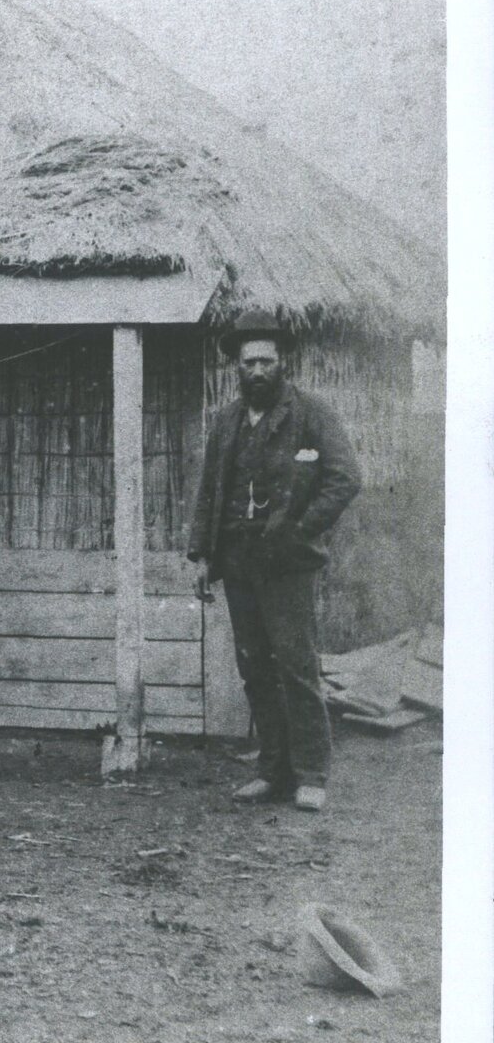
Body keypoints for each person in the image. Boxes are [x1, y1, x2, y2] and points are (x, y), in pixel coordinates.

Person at [188, 310, 362, 812]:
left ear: (281, 363)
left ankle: (311, 774)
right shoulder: (226, 421)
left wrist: (301, 528)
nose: (257, 371)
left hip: (287, 565)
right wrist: (201, 554)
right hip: (238, 563)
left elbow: (345, 479)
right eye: (249, 363)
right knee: (254, 668)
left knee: (296, 666)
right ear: (236, 368)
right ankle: (271, 770)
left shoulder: (312, 414)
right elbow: (209, 493)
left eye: (266, 361)